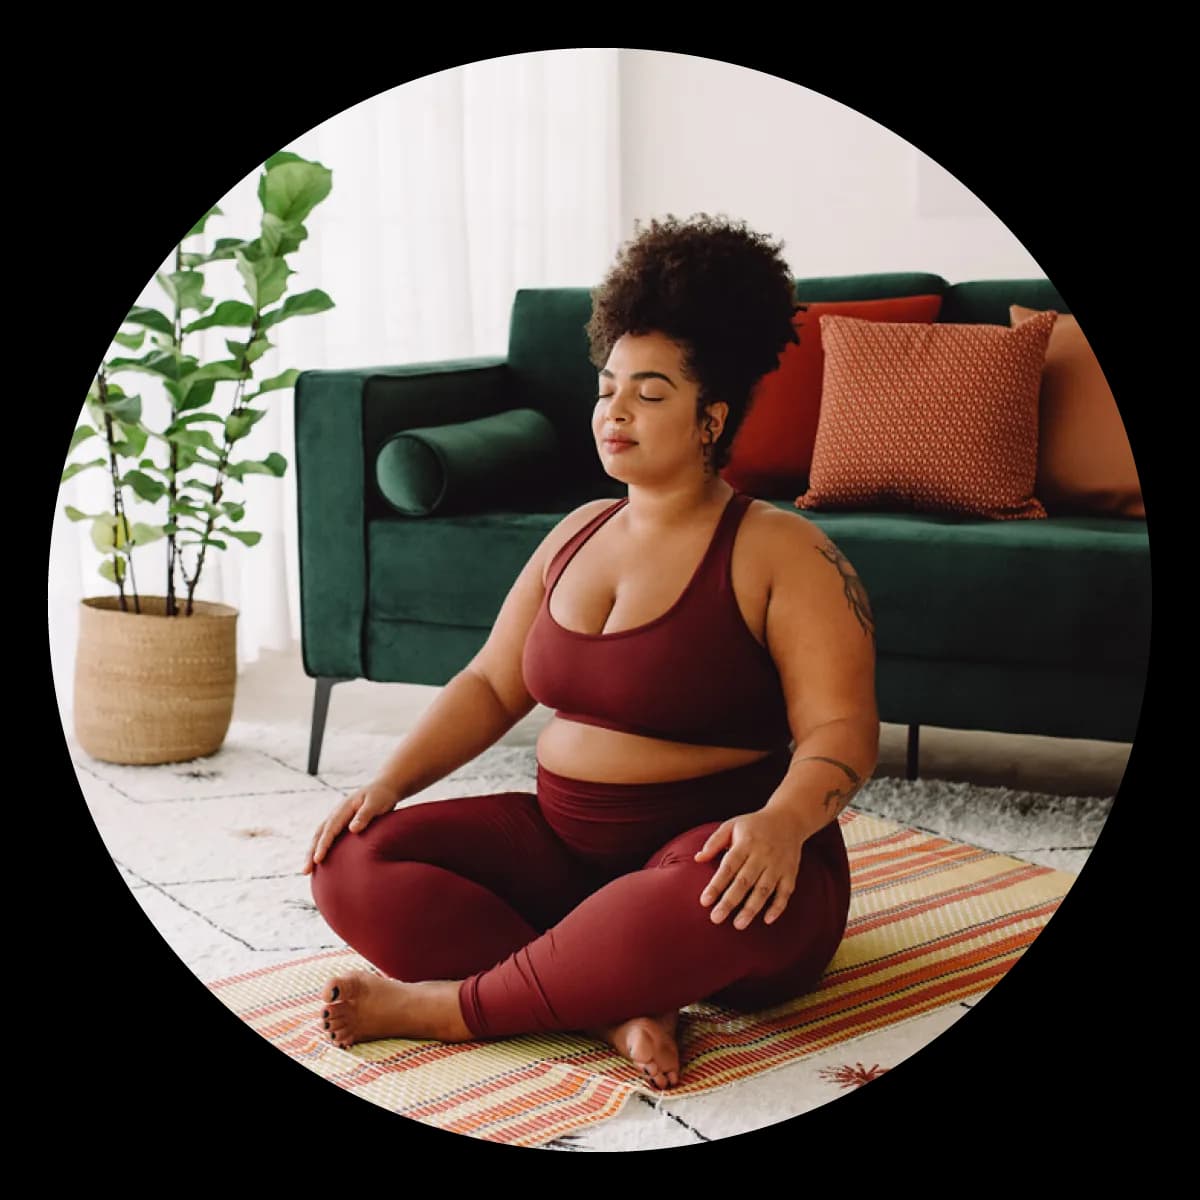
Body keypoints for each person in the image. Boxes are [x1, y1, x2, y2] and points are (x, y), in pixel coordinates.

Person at [301, 213, 879, 1091]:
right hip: (566, 856)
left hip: (726, 862)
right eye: (608, 386)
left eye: (649, 393)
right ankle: (609, 1003)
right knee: (350, 862)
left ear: (710, 418)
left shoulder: (785, 553)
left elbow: (841, 730)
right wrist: (389, 783)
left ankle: (452, 1008)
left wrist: (781, 824)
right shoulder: (575, 534)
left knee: (678, 910)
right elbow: (493, 683)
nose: (615, 410)